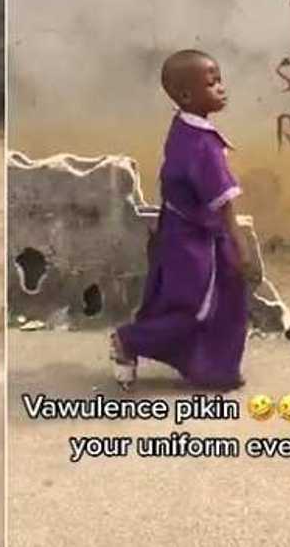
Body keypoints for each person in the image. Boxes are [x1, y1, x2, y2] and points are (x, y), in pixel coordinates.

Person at [111, 49, 262, 393]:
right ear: (186, 95)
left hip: (185, 232)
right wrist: (239, 244)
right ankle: (128, 340)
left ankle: (213, 369)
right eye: (212, 83)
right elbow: (223, 201)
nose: (222, 88)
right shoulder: (200, 144)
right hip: (194, 241)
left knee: (220, 301)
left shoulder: (185, 126)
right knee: (194, 306)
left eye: (220, 80)